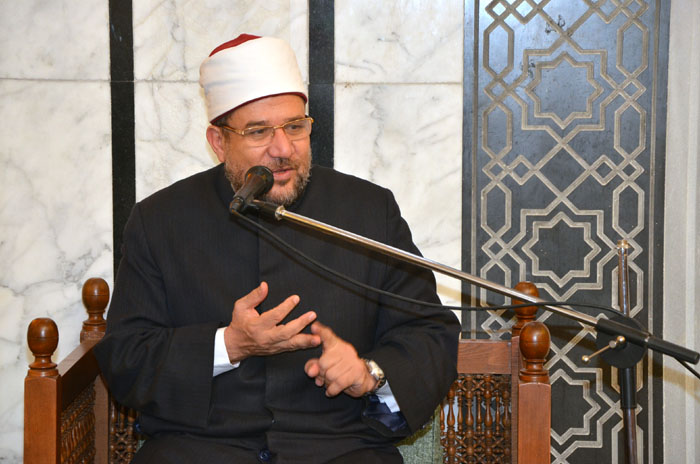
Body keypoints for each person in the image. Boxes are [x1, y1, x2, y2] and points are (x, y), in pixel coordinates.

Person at [94, 34, 459, 464]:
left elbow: (430, 333)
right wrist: (228, 344)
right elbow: (126, 357)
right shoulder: (160, 220)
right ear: (218, 141)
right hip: (200, 449)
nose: (283, 149)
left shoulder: (368, 211)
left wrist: (370, 373)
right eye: (258, 132)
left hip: (340, 450)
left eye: (294, 127)